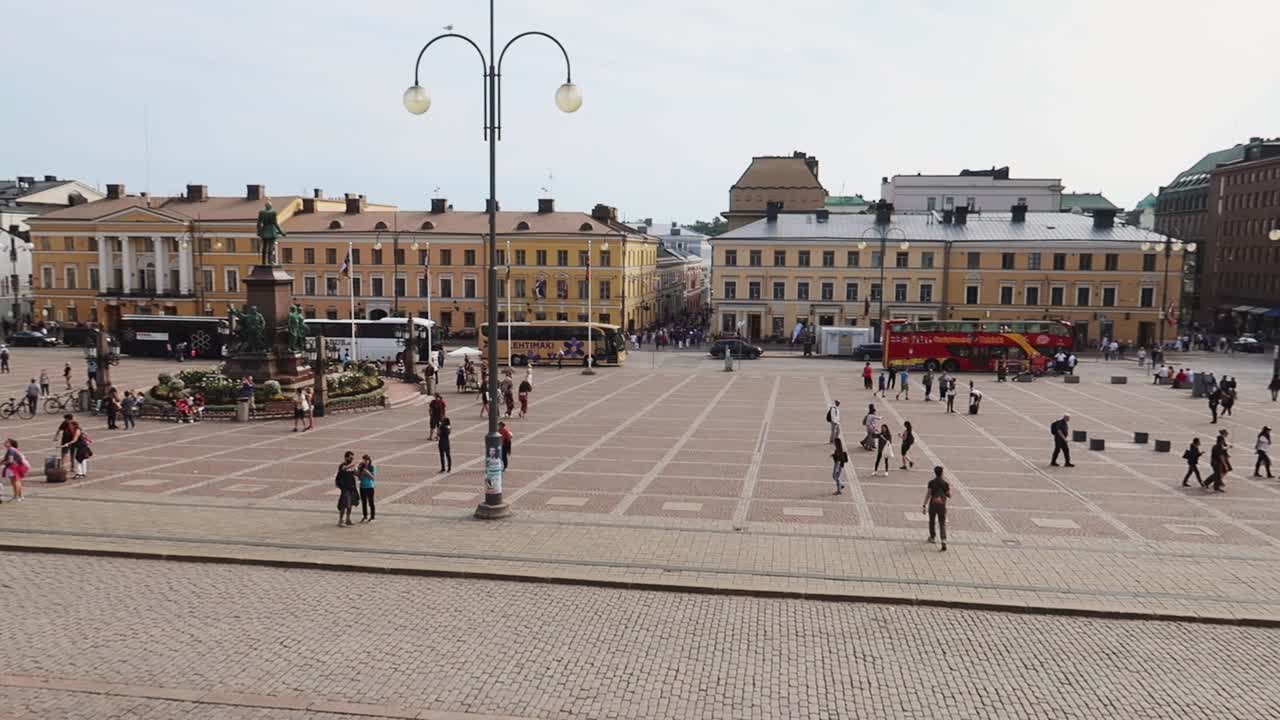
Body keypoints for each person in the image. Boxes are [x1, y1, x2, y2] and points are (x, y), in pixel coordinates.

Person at [922, 465, 950, 551]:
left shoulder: (931, 482)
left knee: (932, 521)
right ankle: (943, 540)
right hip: (942, 505)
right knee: (942, 523)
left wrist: (924, 505)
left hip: (933, 504)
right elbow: (949, 495)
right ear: (941, 473)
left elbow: (928, 494)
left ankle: (932, 537)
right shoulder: (945, 483)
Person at [334, 451, 358, 526]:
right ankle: (340, 520)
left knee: (350, 504)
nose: (352, 459)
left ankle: (348, 519)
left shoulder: (352, 467)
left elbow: (356, 474)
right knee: (344, 505)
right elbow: (344, 468)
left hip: (352, 488)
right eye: (350, 457)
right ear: (346, 457)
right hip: (345, 488)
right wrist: (352, 464)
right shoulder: (342, 465)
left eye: (352, 458)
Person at [2, 438, 29, 503]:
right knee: (17, 481)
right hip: (16, 467)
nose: (5, 443)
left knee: (15, 482)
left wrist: (3, 463)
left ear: (10, 444)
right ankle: (20, 496)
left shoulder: (11, 450)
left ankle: (16, 496)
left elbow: (10, 460)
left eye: (7, 442)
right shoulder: (12, 450)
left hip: (13, 468)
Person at [358, 454, 377, 522]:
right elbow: (360, 478)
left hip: (370, 487)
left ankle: (372, 516)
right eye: (364, 460)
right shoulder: (360, 467)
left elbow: (372, 478)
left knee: (371, 502)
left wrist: (367, 472)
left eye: (367, 460)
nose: (365, 461)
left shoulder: (372, 467)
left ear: (369, 460)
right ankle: (365, 515)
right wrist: (363, 472)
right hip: (362, 487)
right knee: (364, 502)